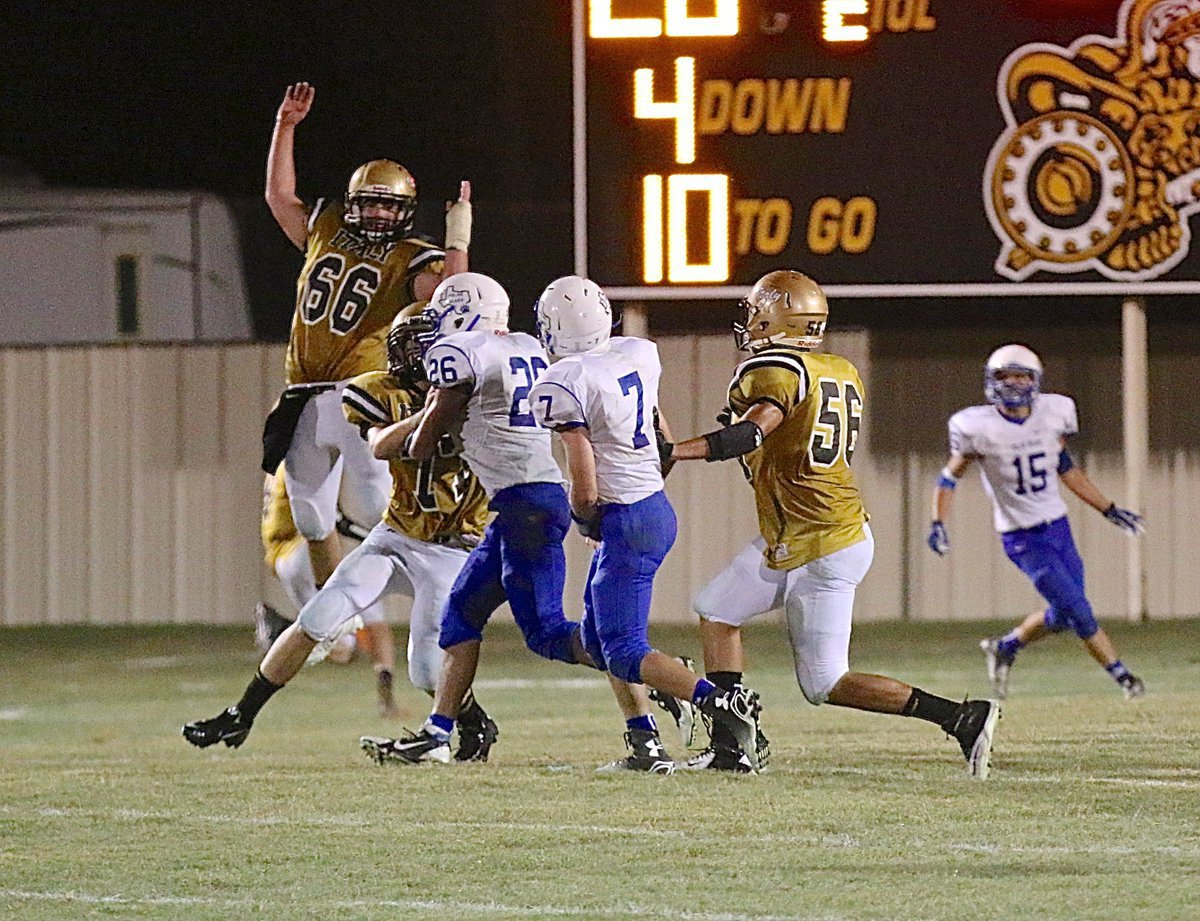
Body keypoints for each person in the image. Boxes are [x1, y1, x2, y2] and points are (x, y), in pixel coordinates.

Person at [658, 270, 1001, 779]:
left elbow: (753, 434)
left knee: (824, 683)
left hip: (824, 541)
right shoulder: (836, 368)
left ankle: (960, 717)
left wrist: (675, 453)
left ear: (777, 317)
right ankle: (733, 748)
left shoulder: (775, 371)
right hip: (799, 533)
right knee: (716, 609)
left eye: (757, 312)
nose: (750, 322)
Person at [184, 309, 499, 761]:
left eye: (422, 346)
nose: (411, 356)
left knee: (428, 672)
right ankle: (241, 713)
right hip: (396, 535)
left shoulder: (486, 401)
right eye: (407, 346)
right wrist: (433, 410)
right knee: (317, 616)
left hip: (453, 550)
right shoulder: (379, 393)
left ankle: (473, 720)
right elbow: (382, 443)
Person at [355, 272, 601, 765]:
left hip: (526, 505)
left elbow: (421, 446)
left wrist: (430, 411)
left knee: (549, 635)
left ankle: (655, 673)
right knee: (461, 614)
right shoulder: (525, 344)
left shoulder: (461, 354)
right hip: (520, 504)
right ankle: (438, 733)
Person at [529, 275, 762, 773]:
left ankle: (721, 707)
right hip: (651, 507)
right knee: (598, 641)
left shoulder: (563, 380)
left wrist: (586, 517)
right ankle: (649, 730)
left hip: (626, 518)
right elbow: (664, 437)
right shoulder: (635, 353)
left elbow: (582, 473)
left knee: (624, 649)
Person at [261, 81, 470, 597]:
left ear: (404, 211)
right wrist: (284, 127)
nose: (376, 214)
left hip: (361, 394)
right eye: (369, 204)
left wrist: (459, 236)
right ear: (353, 203)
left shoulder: (412, 254)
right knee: (310, 520)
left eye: (386, 206)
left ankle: (437, 574)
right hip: (302, 393)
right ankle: (336, 611)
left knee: (382, 504)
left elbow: (453, 292)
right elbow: (278, 196)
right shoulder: (327, 226)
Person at [928, 343, 1147, 701]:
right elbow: (948, 478)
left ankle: (1006, 647)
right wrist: (938, 520)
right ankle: (1124, 678)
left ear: (1035, 380)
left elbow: (1067, 470)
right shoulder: (976, 427)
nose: (1013, 383)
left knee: (1063, 614)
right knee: (1079, 609)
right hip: (1021, 537)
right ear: (991, 380)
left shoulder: (1053, 414)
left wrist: (1108, 508)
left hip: (1058, 526)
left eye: (1021, 375)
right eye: (1005, 376)